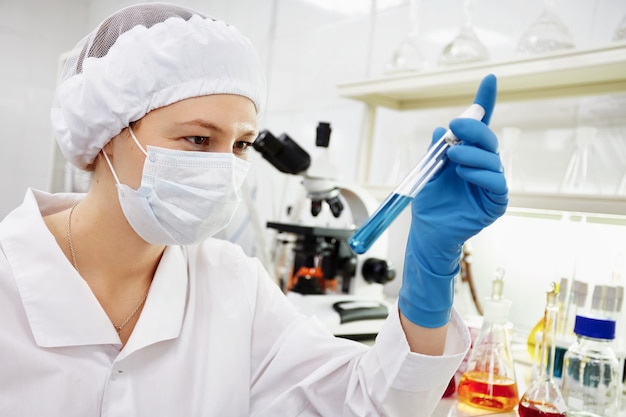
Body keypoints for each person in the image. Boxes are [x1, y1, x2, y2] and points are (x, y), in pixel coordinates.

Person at [0, 3, 508, 416]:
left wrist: (431, 265)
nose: (223, 166)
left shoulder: (231, 286)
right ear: (108, 136)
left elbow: (373, 403)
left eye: (241, 145)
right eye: (198, 138)